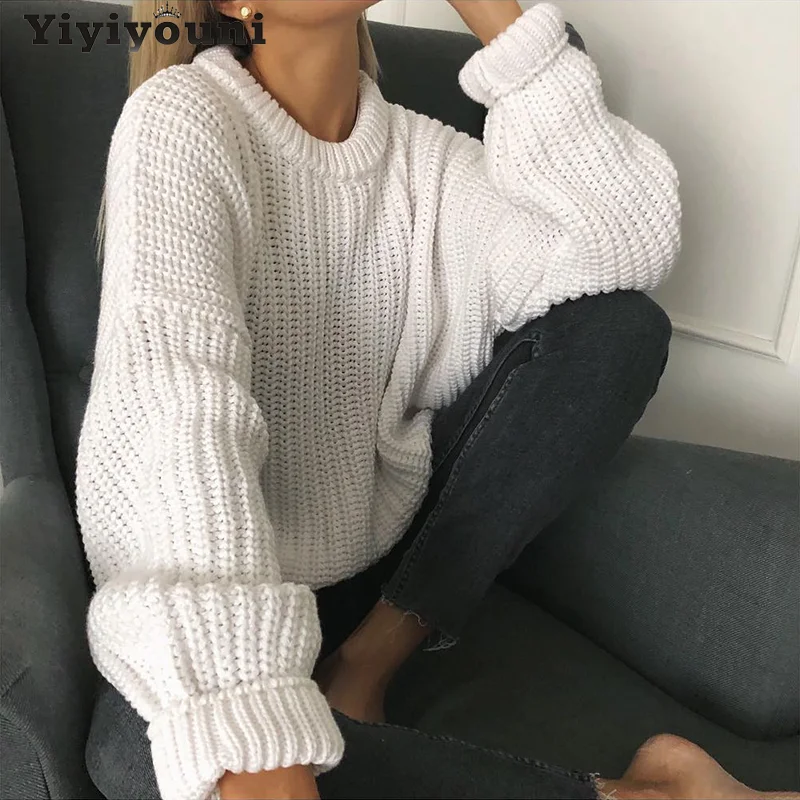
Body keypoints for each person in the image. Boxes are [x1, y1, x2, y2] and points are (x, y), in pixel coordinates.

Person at [75, 2, 796, 799]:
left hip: (387, 568)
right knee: (143, 757)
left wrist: (500, 19)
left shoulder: (427, 161)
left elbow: (624, 245)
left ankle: (366, 666)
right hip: (231, 582)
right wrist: (244, 705)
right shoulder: (183, 118)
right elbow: (182, 406)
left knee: (618, 328)